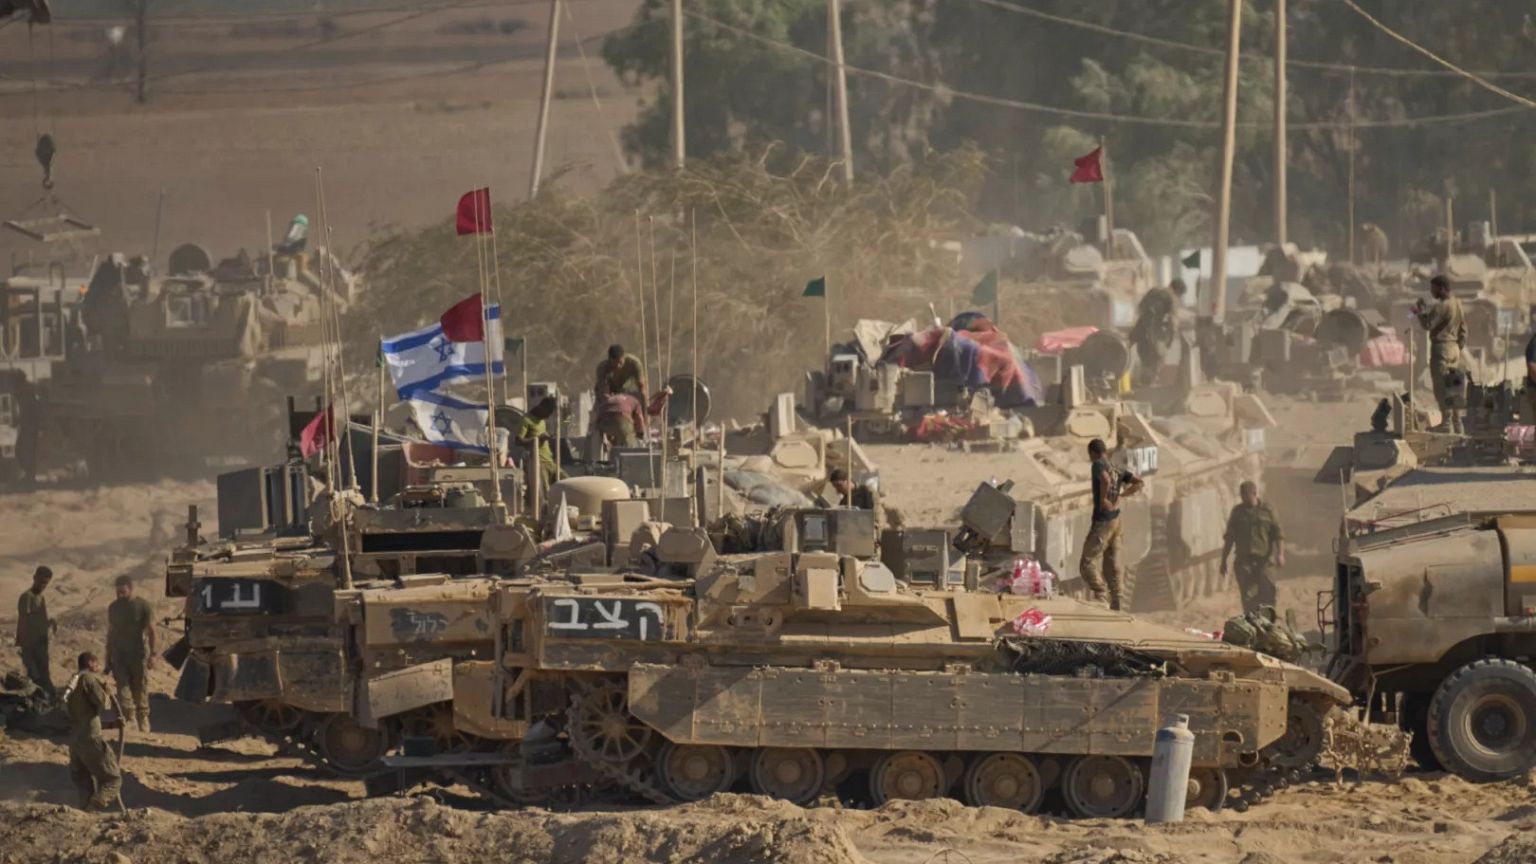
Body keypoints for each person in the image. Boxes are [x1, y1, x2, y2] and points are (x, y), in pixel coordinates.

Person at [1079, 438, 1143, 611]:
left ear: (1092, 453)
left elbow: (1105, 480)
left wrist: (1103, 500)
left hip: (1103, 520)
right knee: (1112, 561)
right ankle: (1118, 600)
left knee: (1087, 563)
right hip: (1116, 520)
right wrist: (1121, 497)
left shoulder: (1098, 464)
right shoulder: (1116, 467)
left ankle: (1101, 595)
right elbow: (1139, 482)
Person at [66, 651, 122, 811]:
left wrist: (112, 724)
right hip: (91, 739)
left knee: (83, 780)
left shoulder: (74, 681)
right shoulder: (89, 679)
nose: (98, 667)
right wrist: (106, 691)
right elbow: (103, 702)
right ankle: (92, 808)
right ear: (90, 663)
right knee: (113, 780)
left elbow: (84, 714)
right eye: (96, 664)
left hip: (75, 740)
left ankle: (83, 811)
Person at [1220, 481, 1286, 614]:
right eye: (1242, 496)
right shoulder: (1238, 512)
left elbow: (1278, 534)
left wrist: (1280, 554)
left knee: (1268, 595)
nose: (1243, 499)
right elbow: (1229, 538)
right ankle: (1252, 625)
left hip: (1265, 561)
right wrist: (1224, 560)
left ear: (1255, 494)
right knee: (1249, 598)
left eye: (1246, 496)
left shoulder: (1268, 511)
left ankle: (1268, 625)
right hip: (1245, 562)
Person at [1414, 274, 1467, 433]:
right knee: (1454, 386)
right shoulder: (1458, 303)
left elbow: (1428, 325)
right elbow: (1464, 330)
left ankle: (1446, 424)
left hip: (1441, 349)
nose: (1432, 292)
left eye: (1434, 288)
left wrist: (1421, 311)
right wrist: (1458, 347)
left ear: (1442, 288)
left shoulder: (1441, 306)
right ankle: (1458, 424)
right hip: (1454, 349)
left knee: (1441, 387)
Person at [104, 575, 156, 733]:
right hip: (120, 654)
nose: (120, 595)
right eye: (117, 592)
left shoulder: (143, 606)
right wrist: (108, 658)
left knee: (140, 688)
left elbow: (152, 631)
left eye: (123, 592)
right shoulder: (113, 607)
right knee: (122, 688)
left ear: (131, 589)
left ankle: (143, 718)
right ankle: (129, 717)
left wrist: (153, 654)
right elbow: (111, 633)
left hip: (138, 654)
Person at [1128, 280, 1187, 388]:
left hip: (1141, 333)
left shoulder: (1153, 291)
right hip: (1155, 337)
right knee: (1155, 363)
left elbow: (1140, 310)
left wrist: (1133, 337)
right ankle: (1148, 389)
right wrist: (1169, 342)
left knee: (1146, 362)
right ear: (1178, 291)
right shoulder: (1171, 298)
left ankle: (1143, 386)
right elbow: (1172, 322)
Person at [15, 565, 55, 697]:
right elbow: (23, 620)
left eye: (46, 583)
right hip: (30, 645)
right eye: (42, 582)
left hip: (41, 646)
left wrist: (50, 623)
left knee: (44, 675)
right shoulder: (27, 597)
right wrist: (21, 642)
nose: (43, 585)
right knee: (34, 677)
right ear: (35, 578)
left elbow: (39, 621)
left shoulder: (41, 598)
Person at [516, 396, 561, 490]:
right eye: (547, 413)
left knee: (569, 485)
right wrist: (537, 439)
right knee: (545, 493)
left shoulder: (542, 420)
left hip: (549, 461)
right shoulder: (526, 420)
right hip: (539, 462)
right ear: (542, 407)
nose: (548, 416)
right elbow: (518, 440)